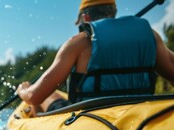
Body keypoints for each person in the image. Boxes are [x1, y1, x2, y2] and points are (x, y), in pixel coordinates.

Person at [16, 0, 174, 116]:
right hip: (139, 113)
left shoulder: (79, 43)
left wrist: (23, 90)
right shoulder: (150, 36)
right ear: (113, 12)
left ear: (85, 18)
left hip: (88, 118)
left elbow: (35, 96)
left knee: (49, 95)